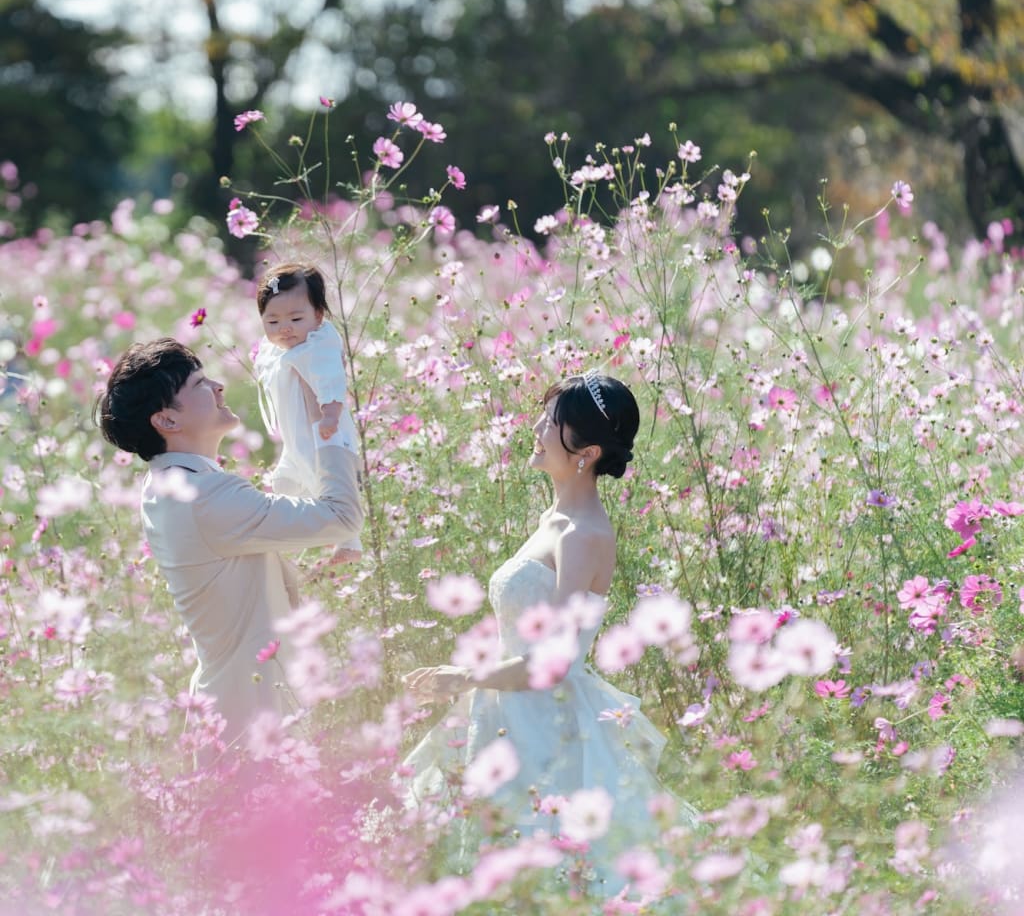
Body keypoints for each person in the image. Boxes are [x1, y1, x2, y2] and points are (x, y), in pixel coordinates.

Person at [402, 371, 693, 894]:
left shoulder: (584, 535)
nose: (535, 427)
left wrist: (465, 677)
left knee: (541, 866)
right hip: (506, 709)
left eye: (551, 423)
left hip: (545, 724)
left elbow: (552, 662)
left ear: (587, 451)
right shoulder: (554, 519)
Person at [95, 338, 364, 747]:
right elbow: (341, 516)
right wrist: (324, 428)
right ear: (166, 421)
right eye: (201, 384)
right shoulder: (203, 495)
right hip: (254, 720)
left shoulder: (169, 485)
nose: (219, 386)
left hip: (235, 709)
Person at [253, 262, 362, 564]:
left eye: (296, 318)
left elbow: (331, 379)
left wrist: (329, 415)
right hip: (295, 436)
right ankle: (295, 544)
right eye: (272, 322)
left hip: (321, 430)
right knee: (284, 482)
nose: (284, 328)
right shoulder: (280, 348)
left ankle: (350, 542)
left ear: (318, 315)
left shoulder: (318, 344)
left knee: (325, 478)